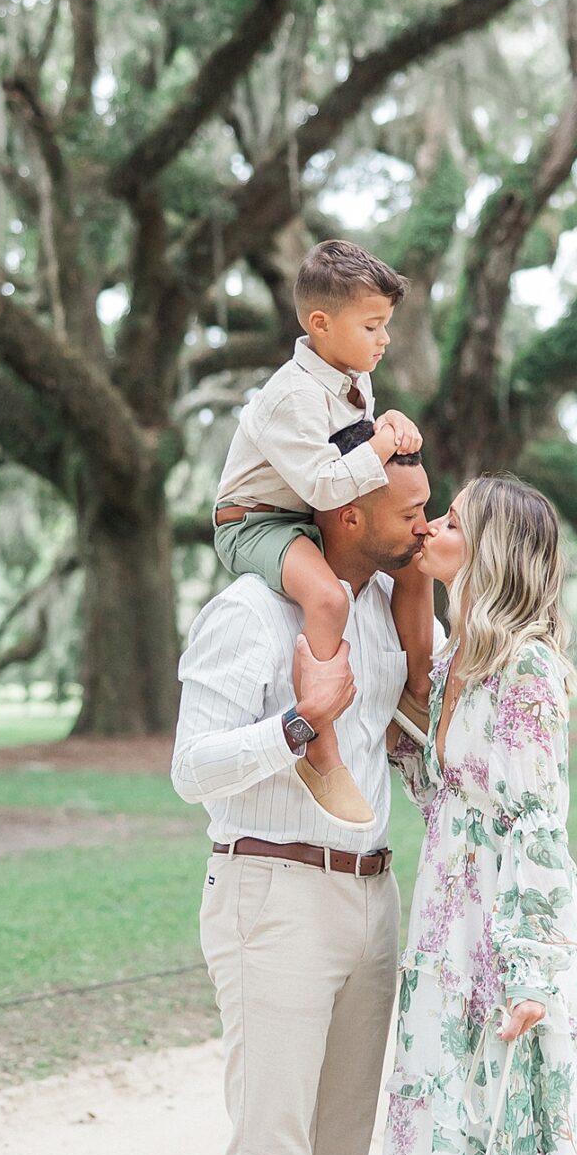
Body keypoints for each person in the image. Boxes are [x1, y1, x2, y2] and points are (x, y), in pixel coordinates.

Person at [172, 453, 434, 1155]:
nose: (420, 519)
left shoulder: (380, 603)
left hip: (369, 895)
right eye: (405, 506)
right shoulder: (248, 612)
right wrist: (296, 722)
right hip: (271, 892)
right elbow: (192, 767)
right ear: (348, 506)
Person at [379, 474, 577, 1155]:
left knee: (527, 1138)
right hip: (452, 926)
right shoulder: (457, 658)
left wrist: (526, 973)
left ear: (487, 549)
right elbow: (453, 798)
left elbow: (535, 821)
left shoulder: (527, 667)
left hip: (513, 934)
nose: (432, 527)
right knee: (476, 1128)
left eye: (450, 521)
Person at [210, 239, 435, 829]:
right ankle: (321, 749)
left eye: (386, 325)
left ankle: (416, 693)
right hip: (256, 523)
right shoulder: (291, 396)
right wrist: (381, 442)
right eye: (372, 325)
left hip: (309, 518)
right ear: (320, 324)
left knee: (414, 561)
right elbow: (327, 485)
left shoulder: (353, 378)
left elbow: (356, 458)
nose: (384, 339)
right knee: (330, 597)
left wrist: (389, 422)